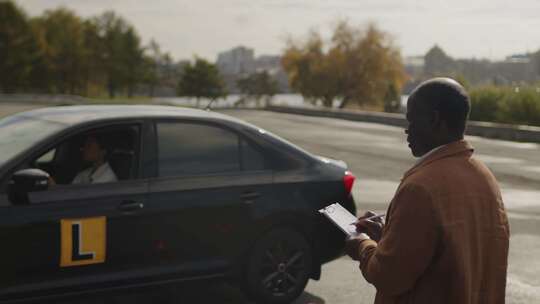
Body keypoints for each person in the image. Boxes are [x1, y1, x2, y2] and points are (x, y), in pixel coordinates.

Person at [345, 78, 510, 304]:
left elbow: (389, 276)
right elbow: (450, 252)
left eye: (412, 120)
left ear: (434, 120)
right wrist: (389, 236)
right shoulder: (485, 178)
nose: (407, 130)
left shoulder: (420, 187)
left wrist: (361, 245)